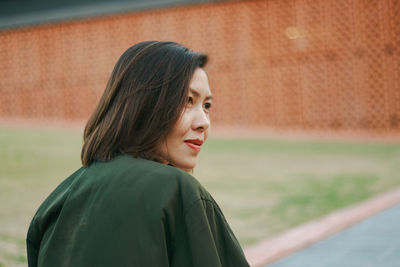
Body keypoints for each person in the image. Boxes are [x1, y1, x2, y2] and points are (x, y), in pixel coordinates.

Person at [26, 41, 250, 267]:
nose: (204, 122)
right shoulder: (179, 192)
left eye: (207, 106)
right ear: (144, 104)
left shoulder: (59, 199)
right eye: (187, 101)